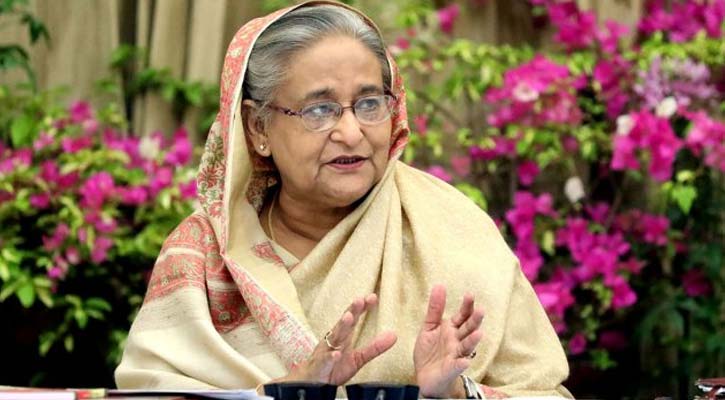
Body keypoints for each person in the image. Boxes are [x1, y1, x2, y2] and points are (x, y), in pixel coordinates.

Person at [115, 1, 572, 398]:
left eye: (370, 104)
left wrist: (451, 393)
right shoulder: (206, 254)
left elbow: (545, 393)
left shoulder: (453, 230)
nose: (351, 133)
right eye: (320, 110)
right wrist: (289, 392)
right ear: (257, 128)